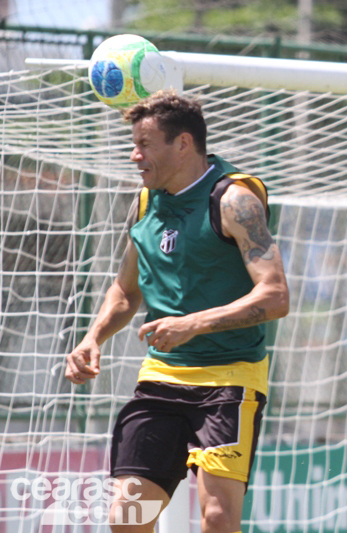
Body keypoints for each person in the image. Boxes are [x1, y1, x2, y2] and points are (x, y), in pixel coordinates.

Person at [65, 90, 290, 533]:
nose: (134, 156)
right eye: (134, 144)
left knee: (217, 518)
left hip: (230, 380)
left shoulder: (234, 200)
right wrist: (93, 338)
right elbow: (125, 291)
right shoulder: (146, 203)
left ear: (183, 144)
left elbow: (275, 295)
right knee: (127, 518)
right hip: (161, 378)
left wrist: (194, 324)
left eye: (144, 144)